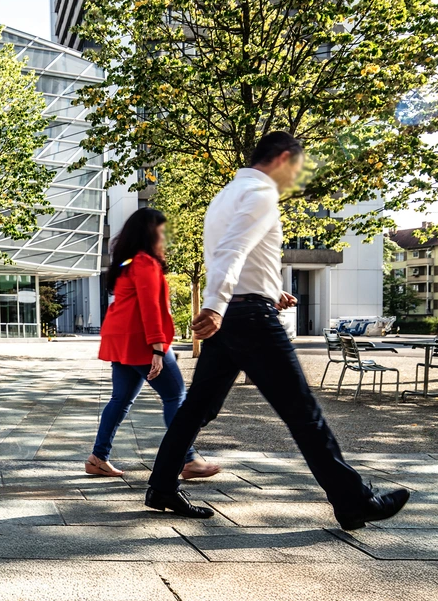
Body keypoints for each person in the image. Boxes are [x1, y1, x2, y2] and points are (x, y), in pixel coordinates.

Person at [145, 131, 410, 530]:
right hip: (249, 319)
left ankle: (162, 486)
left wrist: (269, 292)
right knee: (304, 413)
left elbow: (238, 257)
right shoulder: (262, 192)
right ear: (284, 158)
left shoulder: (225, 196)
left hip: (239, 312)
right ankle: (354, 501)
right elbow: (231, 251)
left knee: (196, 408)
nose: (296, 179)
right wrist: (215, 306)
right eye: (297, 170)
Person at [85, 207, 220, 480]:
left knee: (120, 399)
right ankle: (189, 458)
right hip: (141, 342)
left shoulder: (125, 262)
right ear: (151, 232)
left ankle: (98, 457)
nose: (165, 237)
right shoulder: (145, 262)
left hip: (121, 341)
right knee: (175, 396)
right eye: (162, 231)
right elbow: (150, 308)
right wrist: (158, 348)